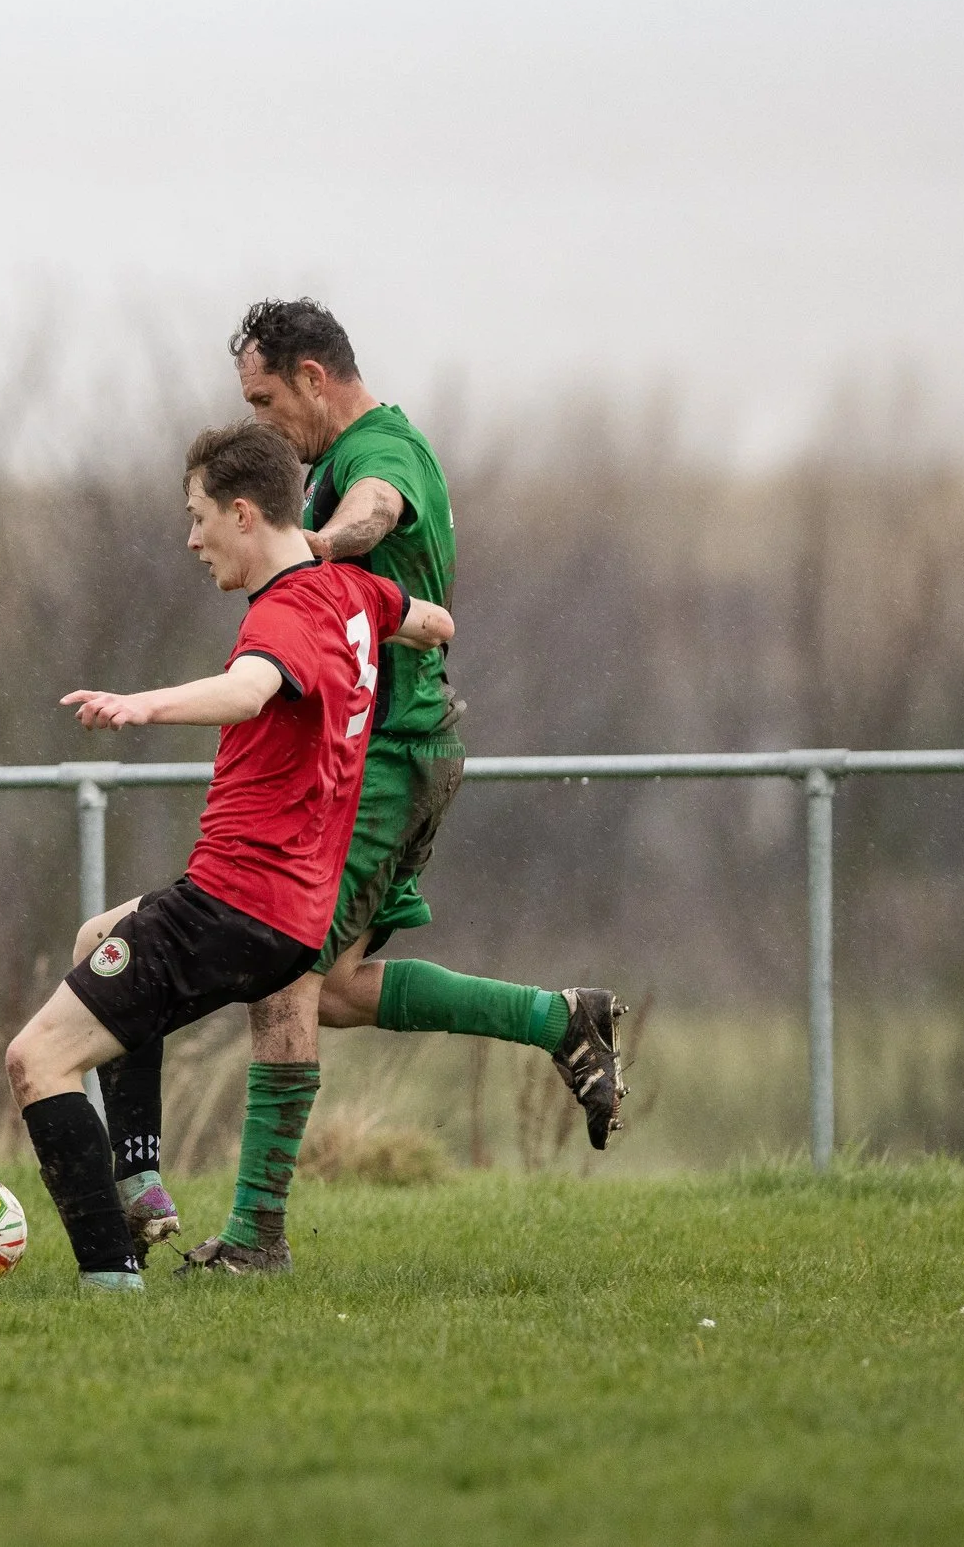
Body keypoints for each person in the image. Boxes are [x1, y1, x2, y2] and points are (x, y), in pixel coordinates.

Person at [101, 300, 626, 1277]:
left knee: (285, 975)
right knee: (333, 986)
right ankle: (562, 1020)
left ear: (312, 375)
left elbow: (378, 509)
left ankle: (256, 1236)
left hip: (385, 757)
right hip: (380, 755)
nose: (262, 425)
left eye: (264, 399)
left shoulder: (380, 453)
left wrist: (313, 551)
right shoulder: (341, 457)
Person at [5, 419, 454, 1291]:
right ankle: (140, 1183)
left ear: (244, 514)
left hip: (234, 908)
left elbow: (251, 690)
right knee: (98, 938)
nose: (191, 537)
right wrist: (428, 645)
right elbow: (430, 619)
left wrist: (143, 704)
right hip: (291, 919)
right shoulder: (352, 594)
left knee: (36, 1061)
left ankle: (110, 1284)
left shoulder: (286, 613)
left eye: (198, 515)